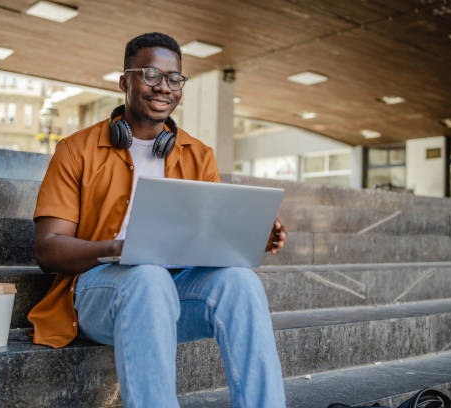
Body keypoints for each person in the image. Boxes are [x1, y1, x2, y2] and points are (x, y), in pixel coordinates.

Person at [27, 32, 287, 407]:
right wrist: (121, 250)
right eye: (150, 74)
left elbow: (209, 243)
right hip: (101, 294)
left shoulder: (199, 155)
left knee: (241, 282)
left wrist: (248, 235)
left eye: (174, 78)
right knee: (147, 277)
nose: (163, 87)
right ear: (124, 81)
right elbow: (48, 250)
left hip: (175, 294)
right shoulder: (76, 150)